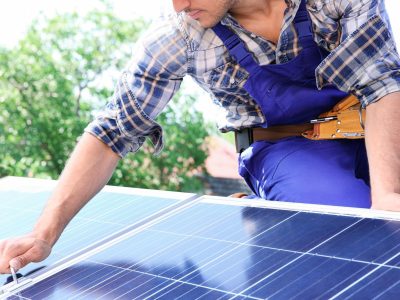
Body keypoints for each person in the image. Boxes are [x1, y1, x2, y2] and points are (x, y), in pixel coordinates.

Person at [0, 0, 399, 275]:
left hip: (378, 122)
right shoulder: (180, 36)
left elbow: (382, 84)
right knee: (353, 232)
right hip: (288, 148)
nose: (178, 4)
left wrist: (388, 196)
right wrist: (43, 234)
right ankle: (270, 208)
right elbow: (113, 131)